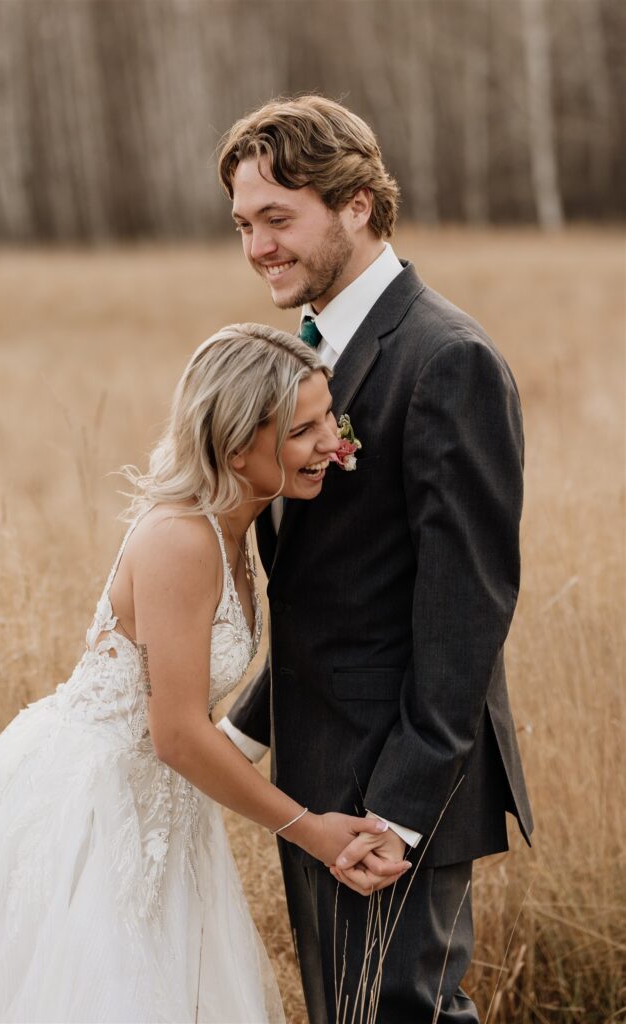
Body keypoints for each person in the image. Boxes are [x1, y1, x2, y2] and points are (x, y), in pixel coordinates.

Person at [0, 323, 406, 1024]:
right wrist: (308, 829)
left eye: (328, 420)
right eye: (302, 430)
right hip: (95, 802)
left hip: (163, 806)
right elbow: (177, 736)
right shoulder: (182, 540)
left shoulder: (240, 522)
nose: (331, 445)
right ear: (235, 444)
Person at [217, 96, 534, 1022]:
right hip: (316, 769)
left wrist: (397, 811)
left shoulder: (445, 358)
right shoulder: (305, 353)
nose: (258, 247)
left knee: (402, 1013)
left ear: (356, 204)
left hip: (394, 782)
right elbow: (340, 592)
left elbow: (464, 607)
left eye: (279, 218)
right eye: (243, 224)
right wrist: (243, 729)